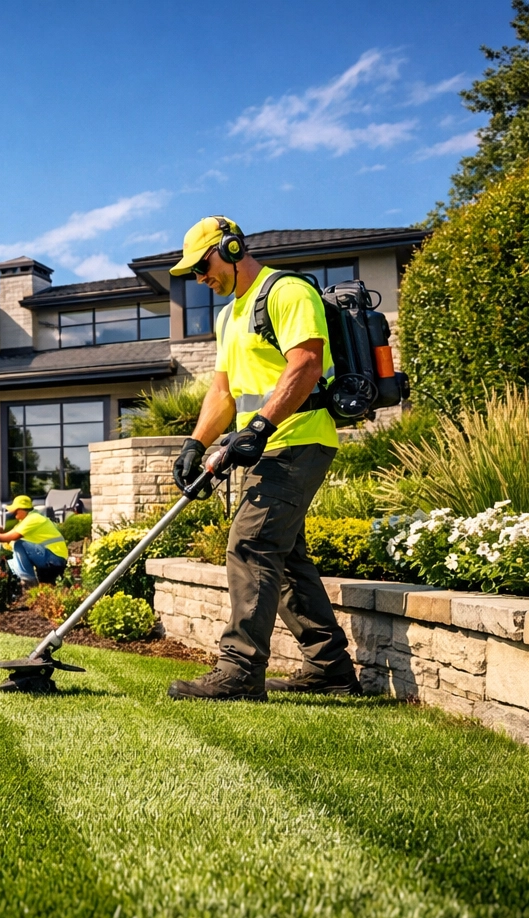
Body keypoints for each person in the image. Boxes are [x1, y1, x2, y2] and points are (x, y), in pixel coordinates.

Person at [166, 216, 359, 700]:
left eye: (202, 265)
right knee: (286, 558)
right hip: (263, 444)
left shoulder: (286, 292)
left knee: (250, 543)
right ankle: (330, 668)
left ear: (230, 249)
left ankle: (238, 670)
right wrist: (195, 443)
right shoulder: (228, 315)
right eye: (191, 272)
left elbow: (307, 364)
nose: (198, 278)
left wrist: (261, 426)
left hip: (299, 438)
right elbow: (223, 390)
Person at [0, 495, 69, 584]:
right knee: (15, 552)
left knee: (19, 544)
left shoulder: (33, 518)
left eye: (14, 511)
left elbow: (9, 537)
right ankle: (17, 577)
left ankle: (28, 582)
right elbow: (9, 543)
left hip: (54, 558)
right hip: (49, 556)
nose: (13, 514)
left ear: (21, 510)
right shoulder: (25, 522)